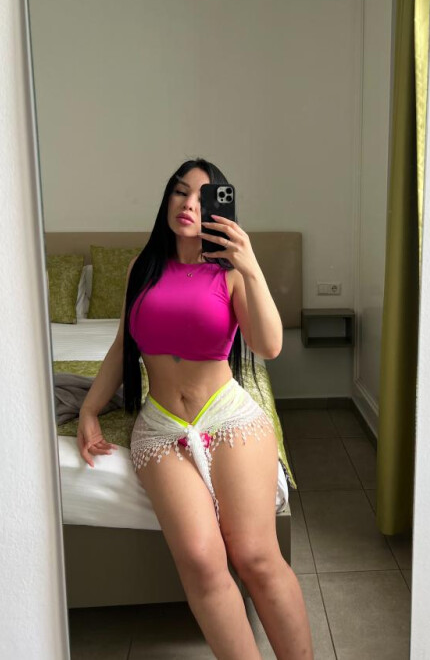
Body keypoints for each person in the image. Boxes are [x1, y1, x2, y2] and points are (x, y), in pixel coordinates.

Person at [76, 158, 314, 659]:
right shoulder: (142, 270)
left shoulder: (231, 273)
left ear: (218, 209)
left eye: (202, 197)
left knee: (255, 555)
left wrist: (250, 265)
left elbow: (269, 346)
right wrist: (90, 410)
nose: (188, 204)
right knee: (203, 564)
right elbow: (122, 347)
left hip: (229, 417)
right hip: (161, 427)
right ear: (167, 199)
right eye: (179, 191)